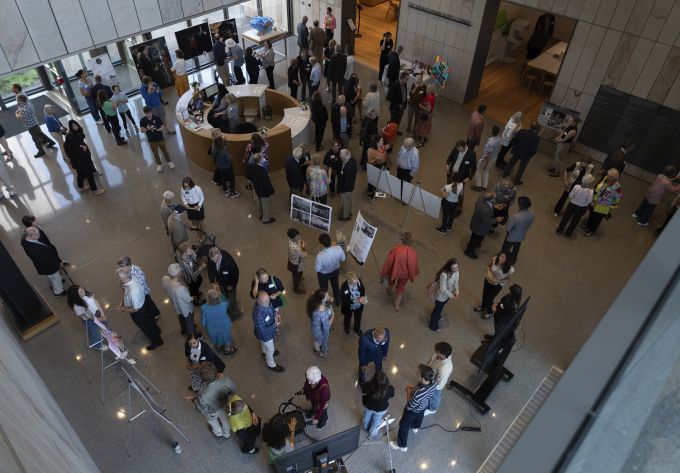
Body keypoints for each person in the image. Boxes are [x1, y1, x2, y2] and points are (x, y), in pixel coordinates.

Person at [390, 364, 436, 453]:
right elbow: (428, 394)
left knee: (404, 425)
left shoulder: (418, 393)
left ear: (423, 378)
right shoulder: (433, 382)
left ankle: (401, 445)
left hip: (412, 410)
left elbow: (410, 404)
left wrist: (408, 392)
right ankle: (415, 426)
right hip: (423, 405)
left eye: (417, 374)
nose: (416, 374)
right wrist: (413, 391)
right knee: (420, 416)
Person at [115, 268, 163, 350]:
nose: (118, 279)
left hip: (139, 313)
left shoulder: (133, 292)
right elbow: (126, 293)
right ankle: (157, 331)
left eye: (119, 277)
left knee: (146, 327)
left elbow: (135, 309)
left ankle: (157, 341)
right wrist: (123, 302)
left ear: (124, 278)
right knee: (150, 322)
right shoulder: (132, 278)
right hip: (143, 305)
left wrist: (123, 309)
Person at [185, 363, 236, 438]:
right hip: (224, 405)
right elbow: (233, 390)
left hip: (212, 413)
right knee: (225, 420)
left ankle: (218, 433)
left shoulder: (202, 394)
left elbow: (202, 409)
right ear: (216, 371)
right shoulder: (225, 380)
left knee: (213, 422)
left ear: (201, 378)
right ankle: (226, 433)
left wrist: (193, 399)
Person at [380, 232, 420, 311]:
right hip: (405, 274)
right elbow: (414, 265)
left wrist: (383, 272)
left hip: (394, 270)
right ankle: (397, 305)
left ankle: (390, 290)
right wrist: (411, 275)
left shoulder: (396, 249)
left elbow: (389, 261)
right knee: (401, 287)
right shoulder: (413, 252)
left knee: (391, 280)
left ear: (401, 240)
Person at [63, 120, 105, 195]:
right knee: (89, 174)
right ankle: (94, 190)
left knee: (80, 173)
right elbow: (70, 147)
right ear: (70, 127)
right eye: (72, 126)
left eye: (75, 125)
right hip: (80, 159)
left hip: (81, 158)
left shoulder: (77, 132)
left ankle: (81, 187)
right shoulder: (71, 135)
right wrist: (81, 147)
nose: (75, 127)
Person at [21, 227, 65, 296]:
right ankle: (58, 292)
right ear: (31, 236)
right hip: (49, 266)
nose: (39, 235)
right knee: (55, 277)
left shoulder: (27, 241)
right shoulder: (32, 249)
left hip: (47, 265)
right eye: (38, 234)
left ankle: (55, 285)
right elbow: (43, 260)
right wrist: (57, 264)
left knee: (53, 277)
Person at [583, 169, 623, 237]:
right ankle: (588, 225)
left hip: (603, 207)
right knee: (592, 214)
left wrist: (611, 207)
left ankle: (592, 230)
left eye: (609, 179)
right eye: (607, 177)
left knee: (597, 219)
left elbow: (616, 199)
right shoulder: (606, 178)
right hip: (596, 201)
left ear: (614, 180)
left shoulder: (617, 188)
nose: (607, 179)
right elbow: (599, 186)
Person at [474, 252, 514, 319]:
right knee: (484, 295)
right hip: (488, 280)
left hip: (497, 285)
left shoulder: (510, 270)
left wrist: (497, 281)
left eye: (503, 257)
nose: (500, 258)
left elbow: (508, 279)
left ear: (507, 260)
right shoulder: (495, 259)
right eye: (500, 256)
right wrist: (489, 274)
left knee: (489, 299)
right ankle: (483, 307)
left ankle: (490, 312)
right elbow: (488, 266)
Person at [252, 291, 285, 372]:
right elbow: (262, 330)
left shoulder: (266, 303)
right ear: (259, 301)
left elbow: (271, 308)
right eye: (265, 302)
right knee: (270, 349)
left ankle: (264, 352)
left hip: (267, 333)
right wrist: (275, 325)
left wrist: (276, 313)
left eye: (268, 300)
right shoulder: (258, 314)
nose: (268, 303)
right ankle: (271, 365)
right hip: (265, 335)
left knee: (263, 345)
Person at [207, 246, 241, 321]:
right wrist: (213, 282)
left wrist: (231, 285)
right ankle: (227, 306)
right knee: (224, 295)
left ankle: (233, 314)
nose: (213, 261)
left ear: (218, 255)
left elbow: (236, 273)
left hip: (230, 284)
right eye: (211, 260)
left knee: (232, 299)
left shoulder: (229, 262)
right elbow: (210, 270)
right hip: (221, 282)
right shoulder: (211, 258)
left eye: (214, 260)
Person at [67, 285, 106, 350]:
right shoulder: (77, 307)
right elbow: (87, 315)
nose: (83, 291)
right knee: (94, 333)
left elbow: (94, 300)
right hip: (90, 320)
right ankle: (98, 345)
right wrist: (98, 319)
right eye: (81, 291)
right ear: (77, 296)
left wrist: (101, 312)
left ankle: (103, 334)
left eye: (82, 289)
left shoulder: (86, 293)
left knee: (102, 327)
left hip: (97, 314)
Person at [464, 192, 501, 260]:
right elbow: (487, 221)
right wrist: (497, 220)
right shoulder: (486, 210)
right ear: (491, 200)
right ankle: (468, 251)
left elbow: (487, 199)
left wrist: (493, 206)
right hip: (481, 227)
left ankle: (472, 244)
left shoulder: (481, 198)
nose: (495, 200)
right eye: (494, 198)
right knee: (477, 239)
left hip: (475, 222)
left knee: (474, 235)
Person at [162, 263, 196, 335]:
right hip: (186, 309)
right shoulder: (180, 289)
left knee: (180, 316)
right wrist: (193, 297)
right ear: (178, 274)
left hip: (176, 305)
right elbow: (188, 300)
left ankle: (183, 330)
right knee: (188, 320)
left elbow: (165, 290)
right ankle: (191, 335)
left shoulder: (165, 279)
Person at [428, 258, 460, 331]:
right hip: (440, 297)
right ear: (449, 267)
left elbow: (456, 282)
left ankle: (436, 315)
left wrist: (457, 291)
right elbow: (443, 288)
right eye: (453, 268)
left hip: (448, 295)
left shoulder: (456, 272)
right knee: (438, 309)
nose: (456, 270)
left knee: (440, 307)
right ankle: (433, 326)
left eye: (457, 267)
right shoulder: (444, 274)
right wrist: (452, 296)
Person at [140, 106, 175, 172]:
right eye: (147, 113)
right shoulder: (143, 120)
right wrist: (147, 128)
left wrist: (158, 129)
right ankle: (159, 165)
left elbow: (163, 127)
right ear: (144, 113)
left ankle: (169, 162)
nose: (149, 114)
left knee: (165, 151)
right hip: (151, 140)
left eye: (149, 112)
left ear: (151, 111)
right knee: (155, 153)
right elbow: (141, 130)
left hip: (160, 139)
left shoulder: (157, 118)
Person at [201, 289, 236, 355]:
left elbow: (203, 321)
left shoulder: (204, 308)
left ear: (208, 298)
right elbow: (227, 301)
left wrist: (206, 326)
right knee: (226, 337)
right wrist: (221, 294)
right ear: (218, 297)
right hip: (224, 326)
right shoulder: (224, 304)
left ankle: (218, 347)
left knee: (215, 337)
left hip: (212, 328)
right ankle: (227, 349)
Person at [362, 371, 395, 439]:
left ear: (373, 380)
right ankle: (373, 432)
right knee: (377, 420)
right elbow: (392, 394)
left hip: (368, 405)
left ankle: (365, 426)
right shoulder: (389, 389)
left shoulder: (368, 386)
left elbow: (363, 390)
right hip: (381, 409)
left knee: (367, 415)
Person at [424, 342, 453, 416]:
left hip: (437, 385)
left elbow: (439, 383)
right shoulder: (438, 355)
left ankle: (432, 409)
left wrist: (431, 387)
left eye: (437, 352)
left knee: (435, 396)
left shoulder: (445, 369)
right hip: (432, 375)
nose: (435, 353)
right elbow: (431, 361)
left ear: (443, 355)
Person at [246, 153, 276, 224]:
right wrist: (272, 190)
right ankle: (266, 219)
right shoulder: (263, 171)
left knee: (258, 202)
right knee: (265, 204)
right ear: (260, 160)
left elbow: (247, 176)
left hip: (257, 189)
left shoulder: (252, 167)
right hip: (264, 191)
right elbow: (267, 183)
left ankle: (260, 214)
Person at [315, 233, 345, 303]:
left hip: (323, 275)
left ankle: (325, 302)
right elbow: (343, 259)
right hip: (335, 271)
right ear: (330, 241)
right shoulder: (338, 248)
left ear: (321, 244)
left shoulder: (319, 256)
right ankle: (338, 301)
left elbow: (317, 269)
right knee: (336, 286)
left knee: (324, 289)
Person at [472, 125, 501, 191]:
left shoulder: (490, 143)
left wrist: (485, 163)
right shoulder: (499, 139)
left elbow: (489, 155)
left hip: (486, 159)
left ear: (492, 131)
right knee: (486, 171)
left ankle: (478, 185)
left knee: (478, 170)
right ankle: (484, 186)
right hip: (494, 157)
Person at [211, 130, 239, 197]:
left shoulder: (214, 145)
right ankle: (233, 191)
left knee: (223, 177)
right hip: (227, 165)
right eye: (220, 134)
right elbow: (228, 157)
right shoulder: (223, 148)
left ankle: (225, 190)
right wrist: (230, 157)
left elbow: (214, 155)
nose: (221, 135)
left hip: (220, 165)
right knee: (231, 177)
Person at [307, 289, 334, 357]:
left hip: (315, 327)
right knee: (319, 341)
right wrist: (333, 316)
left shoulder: (315, 303)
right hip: (320, 331)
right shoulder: (323, 313)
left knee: (317, 340)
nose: (328, 296)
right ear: (322, 300)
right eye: (327, 296)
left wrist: (328, 301)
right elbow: (327, 326)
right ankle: (318, 350)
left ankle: (317, 348)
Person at [338, 149, 357, 221]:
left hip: (345, 188)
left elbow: (344, 181)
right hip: (351, 186)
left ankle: (345, 216)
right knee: (349, 200)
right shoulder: (353, 160)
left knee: (345, 201)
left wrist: (342, 190)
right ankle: (349, 211)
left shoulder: (346, 168)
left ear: (343, 159)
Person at [287, 228, 306, 294]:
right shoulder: (295, 248)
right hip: (298, 263)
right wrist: (303, 247)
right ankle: (296, 289)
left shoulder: (290, 240)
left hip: (292, 260)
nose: (299, 237)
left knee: (294, 273)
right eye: (297, 237)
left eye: (298, 235)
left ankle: (296, 278)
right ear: (292, 238)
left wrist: (301, 243)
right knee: (298, 273)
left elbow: (300, 241)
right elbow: (303, 255)